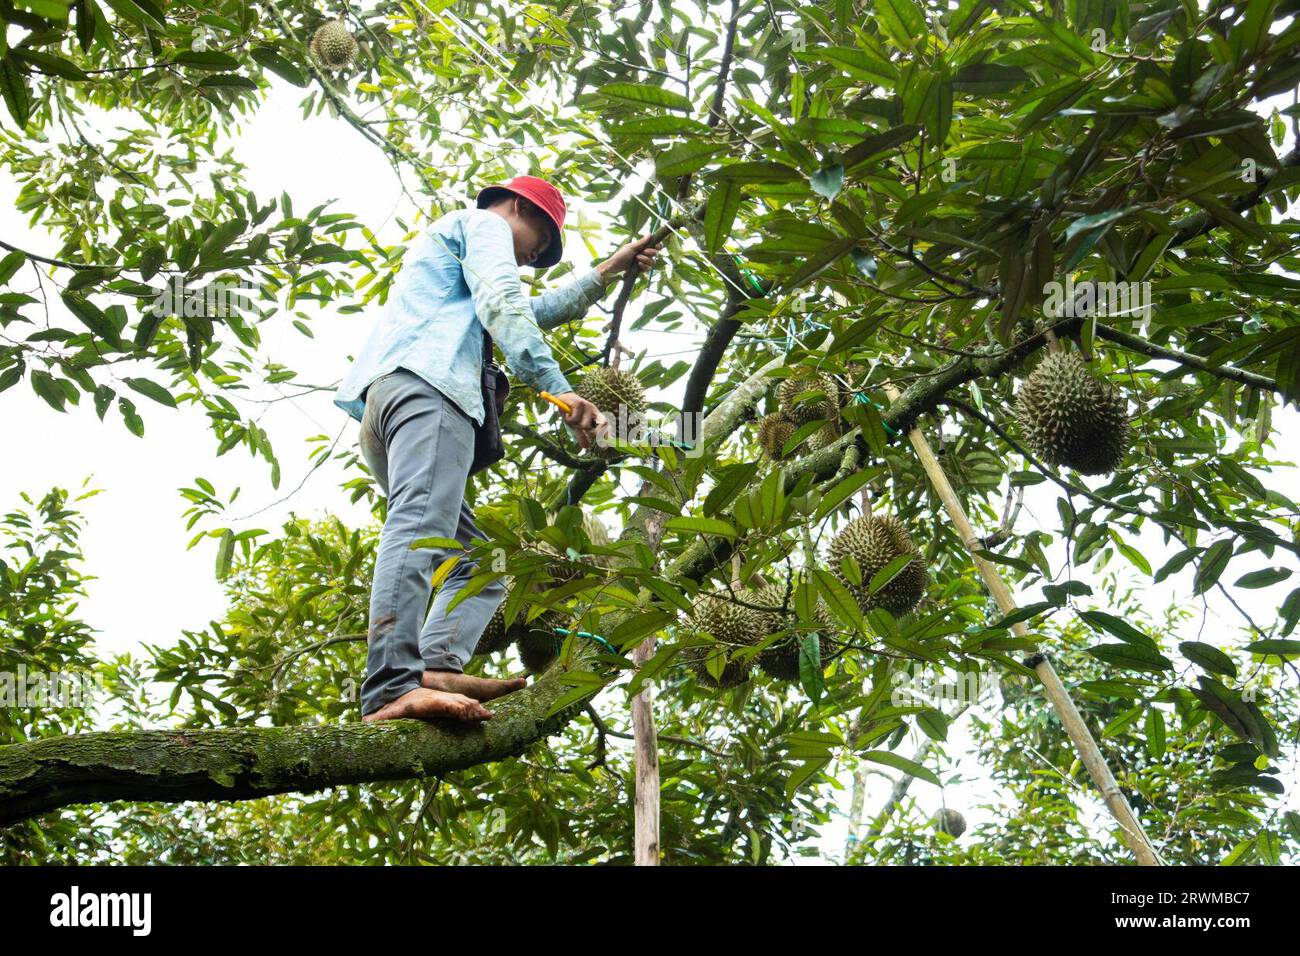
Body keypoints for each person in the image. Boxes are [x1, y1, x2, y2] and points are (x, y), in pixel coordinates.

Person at [333, 175, 662, 724]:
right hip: (431, 393)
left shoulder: (456, 262)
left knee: (486, 564)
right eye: (543, 238)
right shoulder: (483, 224)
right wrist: (557, 386)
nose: (539, 256)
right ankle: (390, 686)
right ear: (515, 206)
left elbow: (528, 310)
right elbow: (505, 303)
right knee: (416, 529)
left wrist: (609, 271)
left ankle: (433, 664)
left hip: (392, 403)